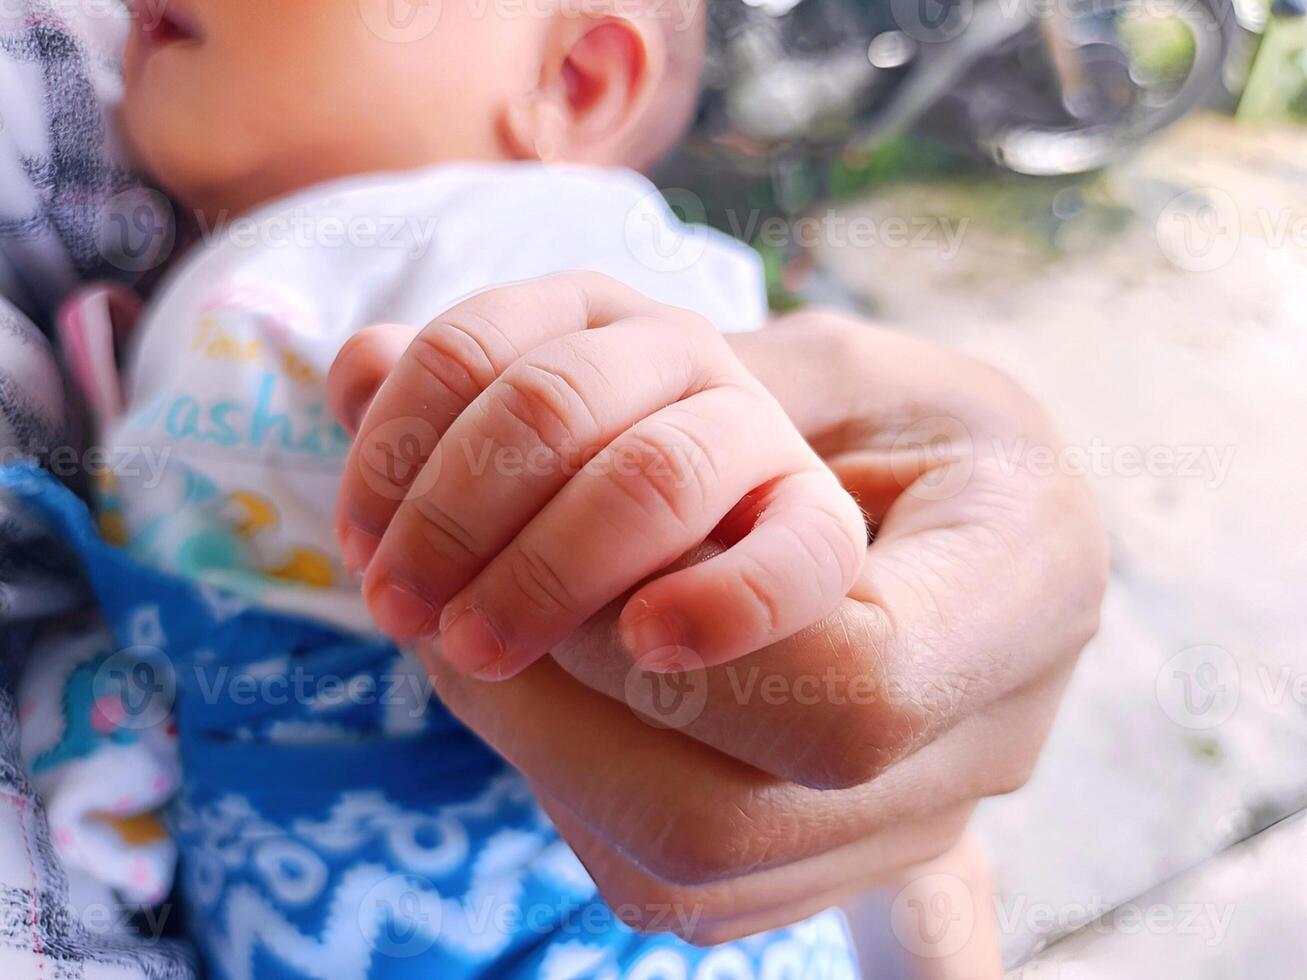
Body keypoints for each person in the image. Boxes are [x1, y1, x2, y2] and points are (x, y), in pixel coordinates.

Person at [0, 0, 1108, 977]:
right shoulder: (165, 289)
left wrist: (747, 538)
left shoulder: (536, 240)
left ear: (572, 81)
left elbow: (716, 447)